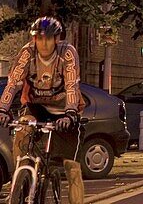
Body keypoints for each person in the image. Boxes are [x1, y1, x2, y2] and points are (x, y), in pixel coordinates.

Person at [0, 16, 84, 204]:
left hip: (65, 110)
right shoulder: (26, 53)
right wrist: (2, 110)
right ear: (34, 39)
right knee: (22, 130)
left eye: (48, 38)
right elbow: (13, 83)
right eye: (39, 38)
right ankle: (19, 182)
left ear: (56, 39)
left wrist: (70, 113)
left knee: (72, 168)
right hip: (35, 106)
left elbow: (72, 85)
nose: (43, 44)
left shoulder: (67, 53)